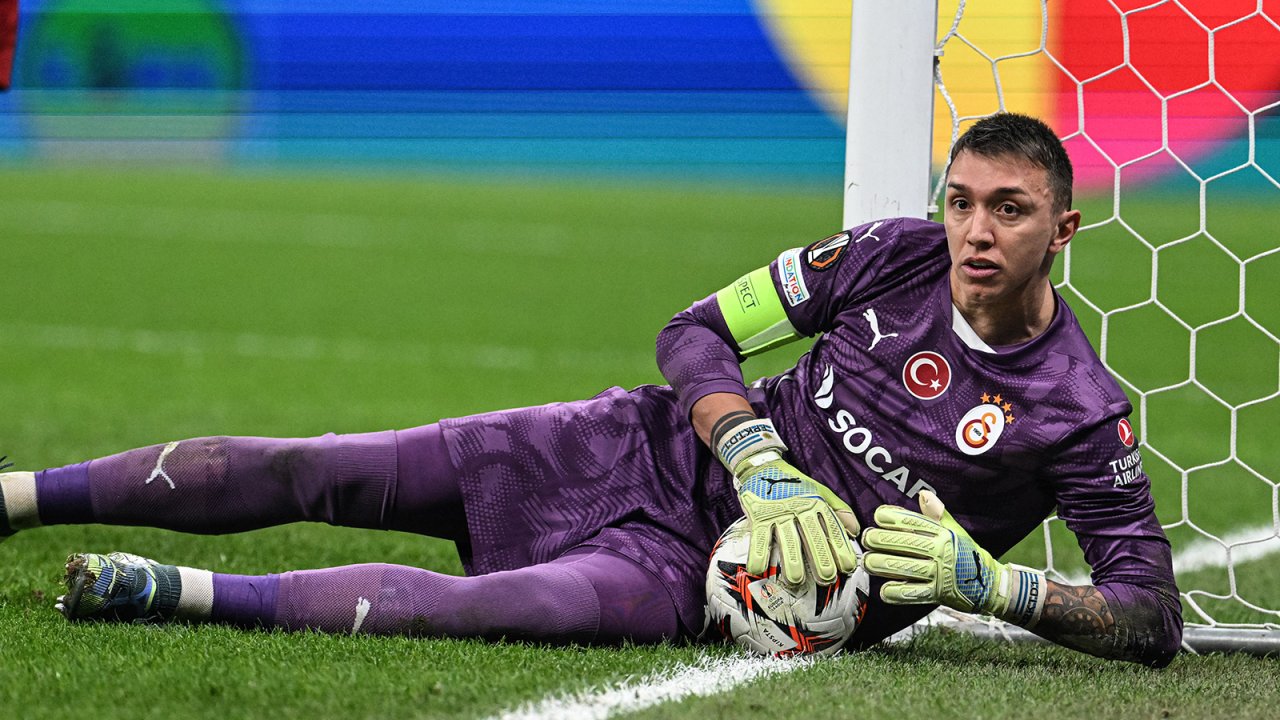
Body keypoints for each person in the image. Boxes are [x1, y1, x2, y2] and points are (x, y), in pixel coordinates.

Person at [0, 112, 1182, 666]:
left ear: (1061, 229)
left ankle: (170, 593)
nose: (973, 230)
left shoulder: (1078, 413)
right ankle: (18, 495)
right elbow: (695, 332)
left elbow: (1148, 617)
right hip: (646, 446)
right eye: (959, 200)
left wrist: (1000, 586)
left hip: (716, 577)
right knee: (330, 465)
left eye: (1007, 209)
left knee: (494, 610)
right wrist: (755, 458)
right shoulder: (888, 254)